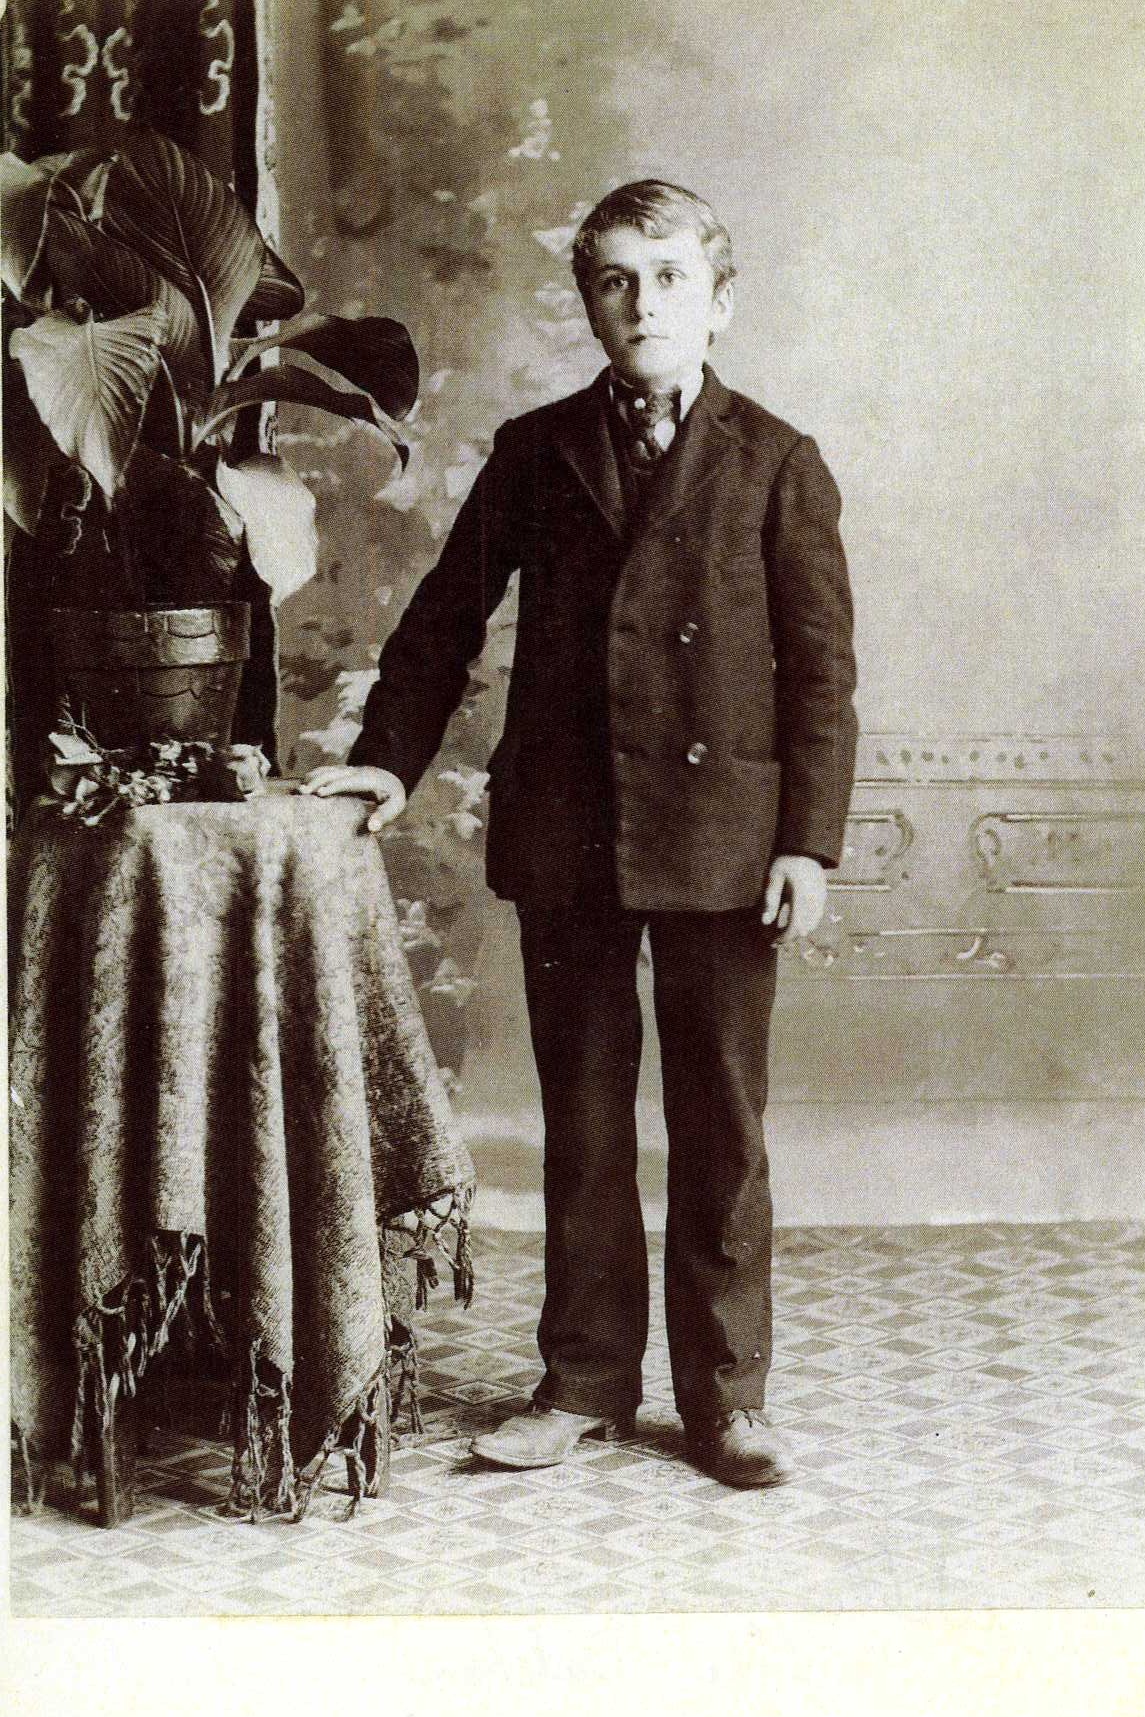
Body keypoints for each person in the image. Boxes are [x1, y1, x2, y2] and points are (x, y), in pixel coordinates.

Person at [301, 180, 857, 1488]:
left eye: (669, 278)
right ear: (590, 306)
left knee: (721, 1118)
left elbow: (822, 672)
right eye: (615, 280)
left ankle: (727, 1396)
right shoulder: (535, 450)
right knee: (587, 1115)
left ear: (720, 302)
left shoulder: (779, 461)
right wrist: (387, 760)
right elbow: (445, 616)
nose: (643, 303)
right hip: (571, 828)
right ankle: (587, 1378)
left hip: (724, 837)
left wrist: (807, 842)